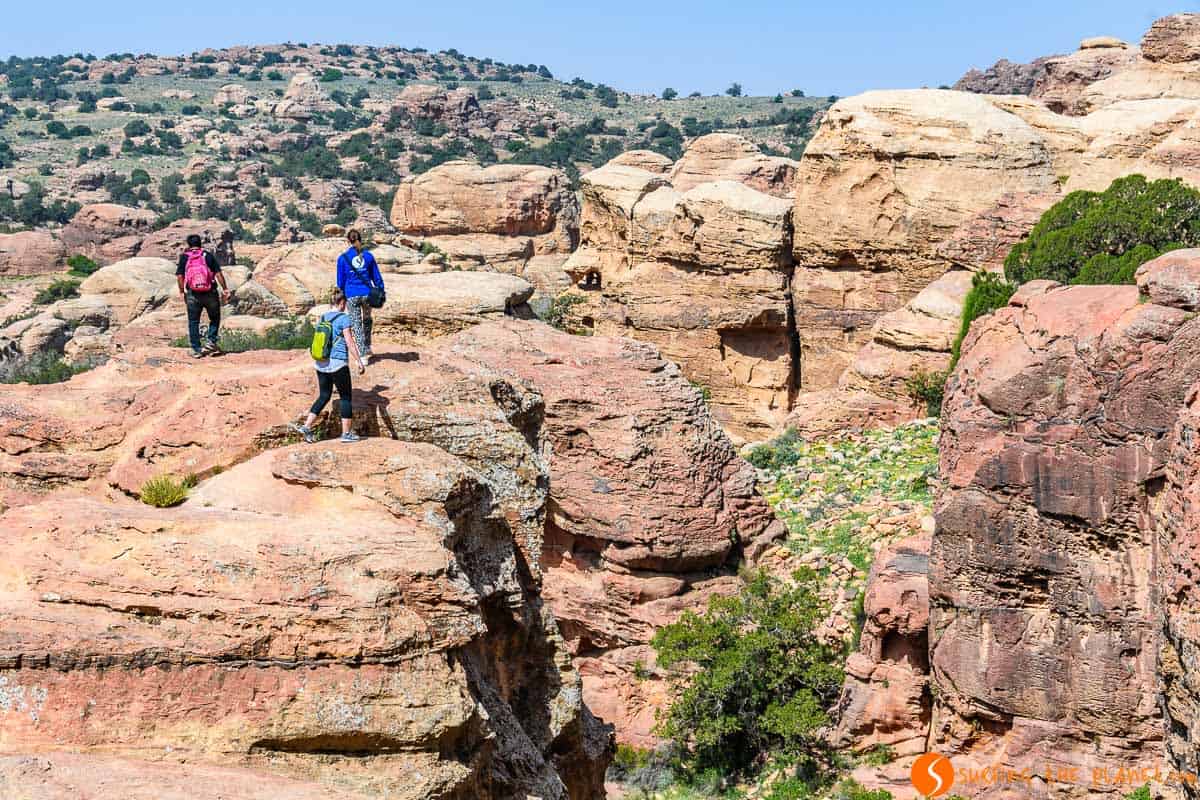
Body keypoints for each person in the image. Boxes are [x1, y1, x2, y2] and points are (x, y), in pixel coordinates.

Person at [291, 287, 366, 444]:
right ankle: (346, 434)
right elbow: (349, 341)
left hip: (321, 363)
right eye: (344, 303)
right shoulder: (344, 318)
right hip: (338, 363)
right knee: (345, 397)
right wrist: (359, 360)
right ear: (341, 302)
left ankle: (306, 426)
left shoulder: (323, 317)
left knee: (324, 395)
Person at [176, 234, 231, 358]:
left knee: (193, 321)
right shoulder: (207, 255)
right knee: (215, 318)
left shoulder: (185, 257)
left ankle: (196, 350)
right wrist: (225, 289)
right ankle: (211, 343)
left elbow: (180, 276)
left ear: (189, 245)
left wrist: (181, 291)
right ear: (200, 243)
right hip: (210, 292)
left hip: (193, 293)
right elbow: (218, 273)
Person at [336, 229, 384, 362]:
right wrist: (381, 290)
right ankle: (367, 347)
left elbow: (340, 282)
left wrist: (342, 295)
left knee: (356, 324)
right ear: (360, 240)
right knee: (367, 319)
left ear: (348, 241)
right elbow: (376, 277)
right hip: (367, 295)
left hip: (351, 295)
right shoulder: (368, 256)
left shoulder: (342, 258)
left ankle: (363, 356)